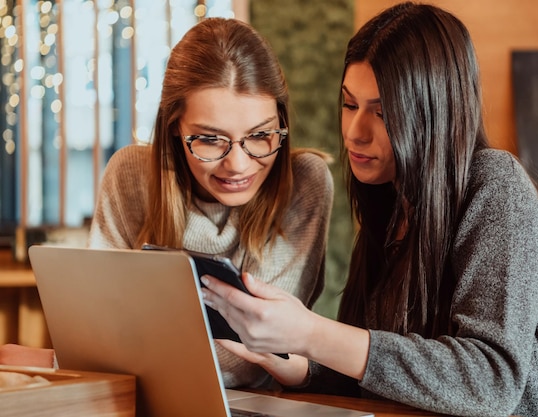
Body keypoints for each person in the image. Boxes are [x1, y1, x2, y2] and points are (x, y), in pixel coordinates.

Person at [201, 3, 538, 417]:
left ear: (434, 113)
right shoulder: (390, 203)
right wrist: (299, 366)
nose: (355, 132)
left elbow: (490, 381)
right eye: (349, 105)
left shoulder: (496, 186)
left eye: (382, 113)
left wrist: (312, 333)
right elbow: (386, 375)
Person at [0, 17, 334, 389]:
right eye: (210, 140)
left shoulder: (304, 182)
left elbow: (249, 360)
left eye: (260, 135)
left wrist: (53, 360)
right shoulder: (130, 174)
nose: (238, 164)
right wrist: (84, 358)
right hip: (136, 397)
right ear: (175, 126)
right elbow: (95, 331)